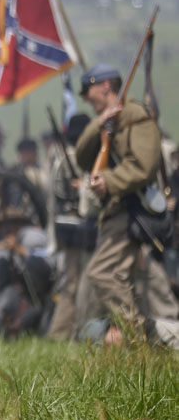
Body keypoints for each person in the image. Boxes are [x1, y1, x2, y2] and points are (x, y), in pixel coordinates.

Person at [75, 63, 162, 340]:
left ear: (105, 86)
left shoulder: (135, 115)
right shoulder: (104, 123)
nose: (85, 98)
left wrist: (109, 181)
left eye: (88, 90)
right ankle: (135, 340)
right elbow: (81, 157)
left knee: (103, 274)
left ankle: (136, 338)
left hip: (130, 209)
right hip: (115, 212)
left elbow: (145, 165)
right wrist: (98, 125)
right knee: (115, 278)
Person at [45, 114, 96, 340]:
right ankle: (66, 332)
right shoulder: (75, 159)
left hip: (66, 227)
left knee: (73, 282)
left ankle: (65, 332)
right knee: (78, 282)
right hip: (77, 226)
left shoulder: (60, 158)